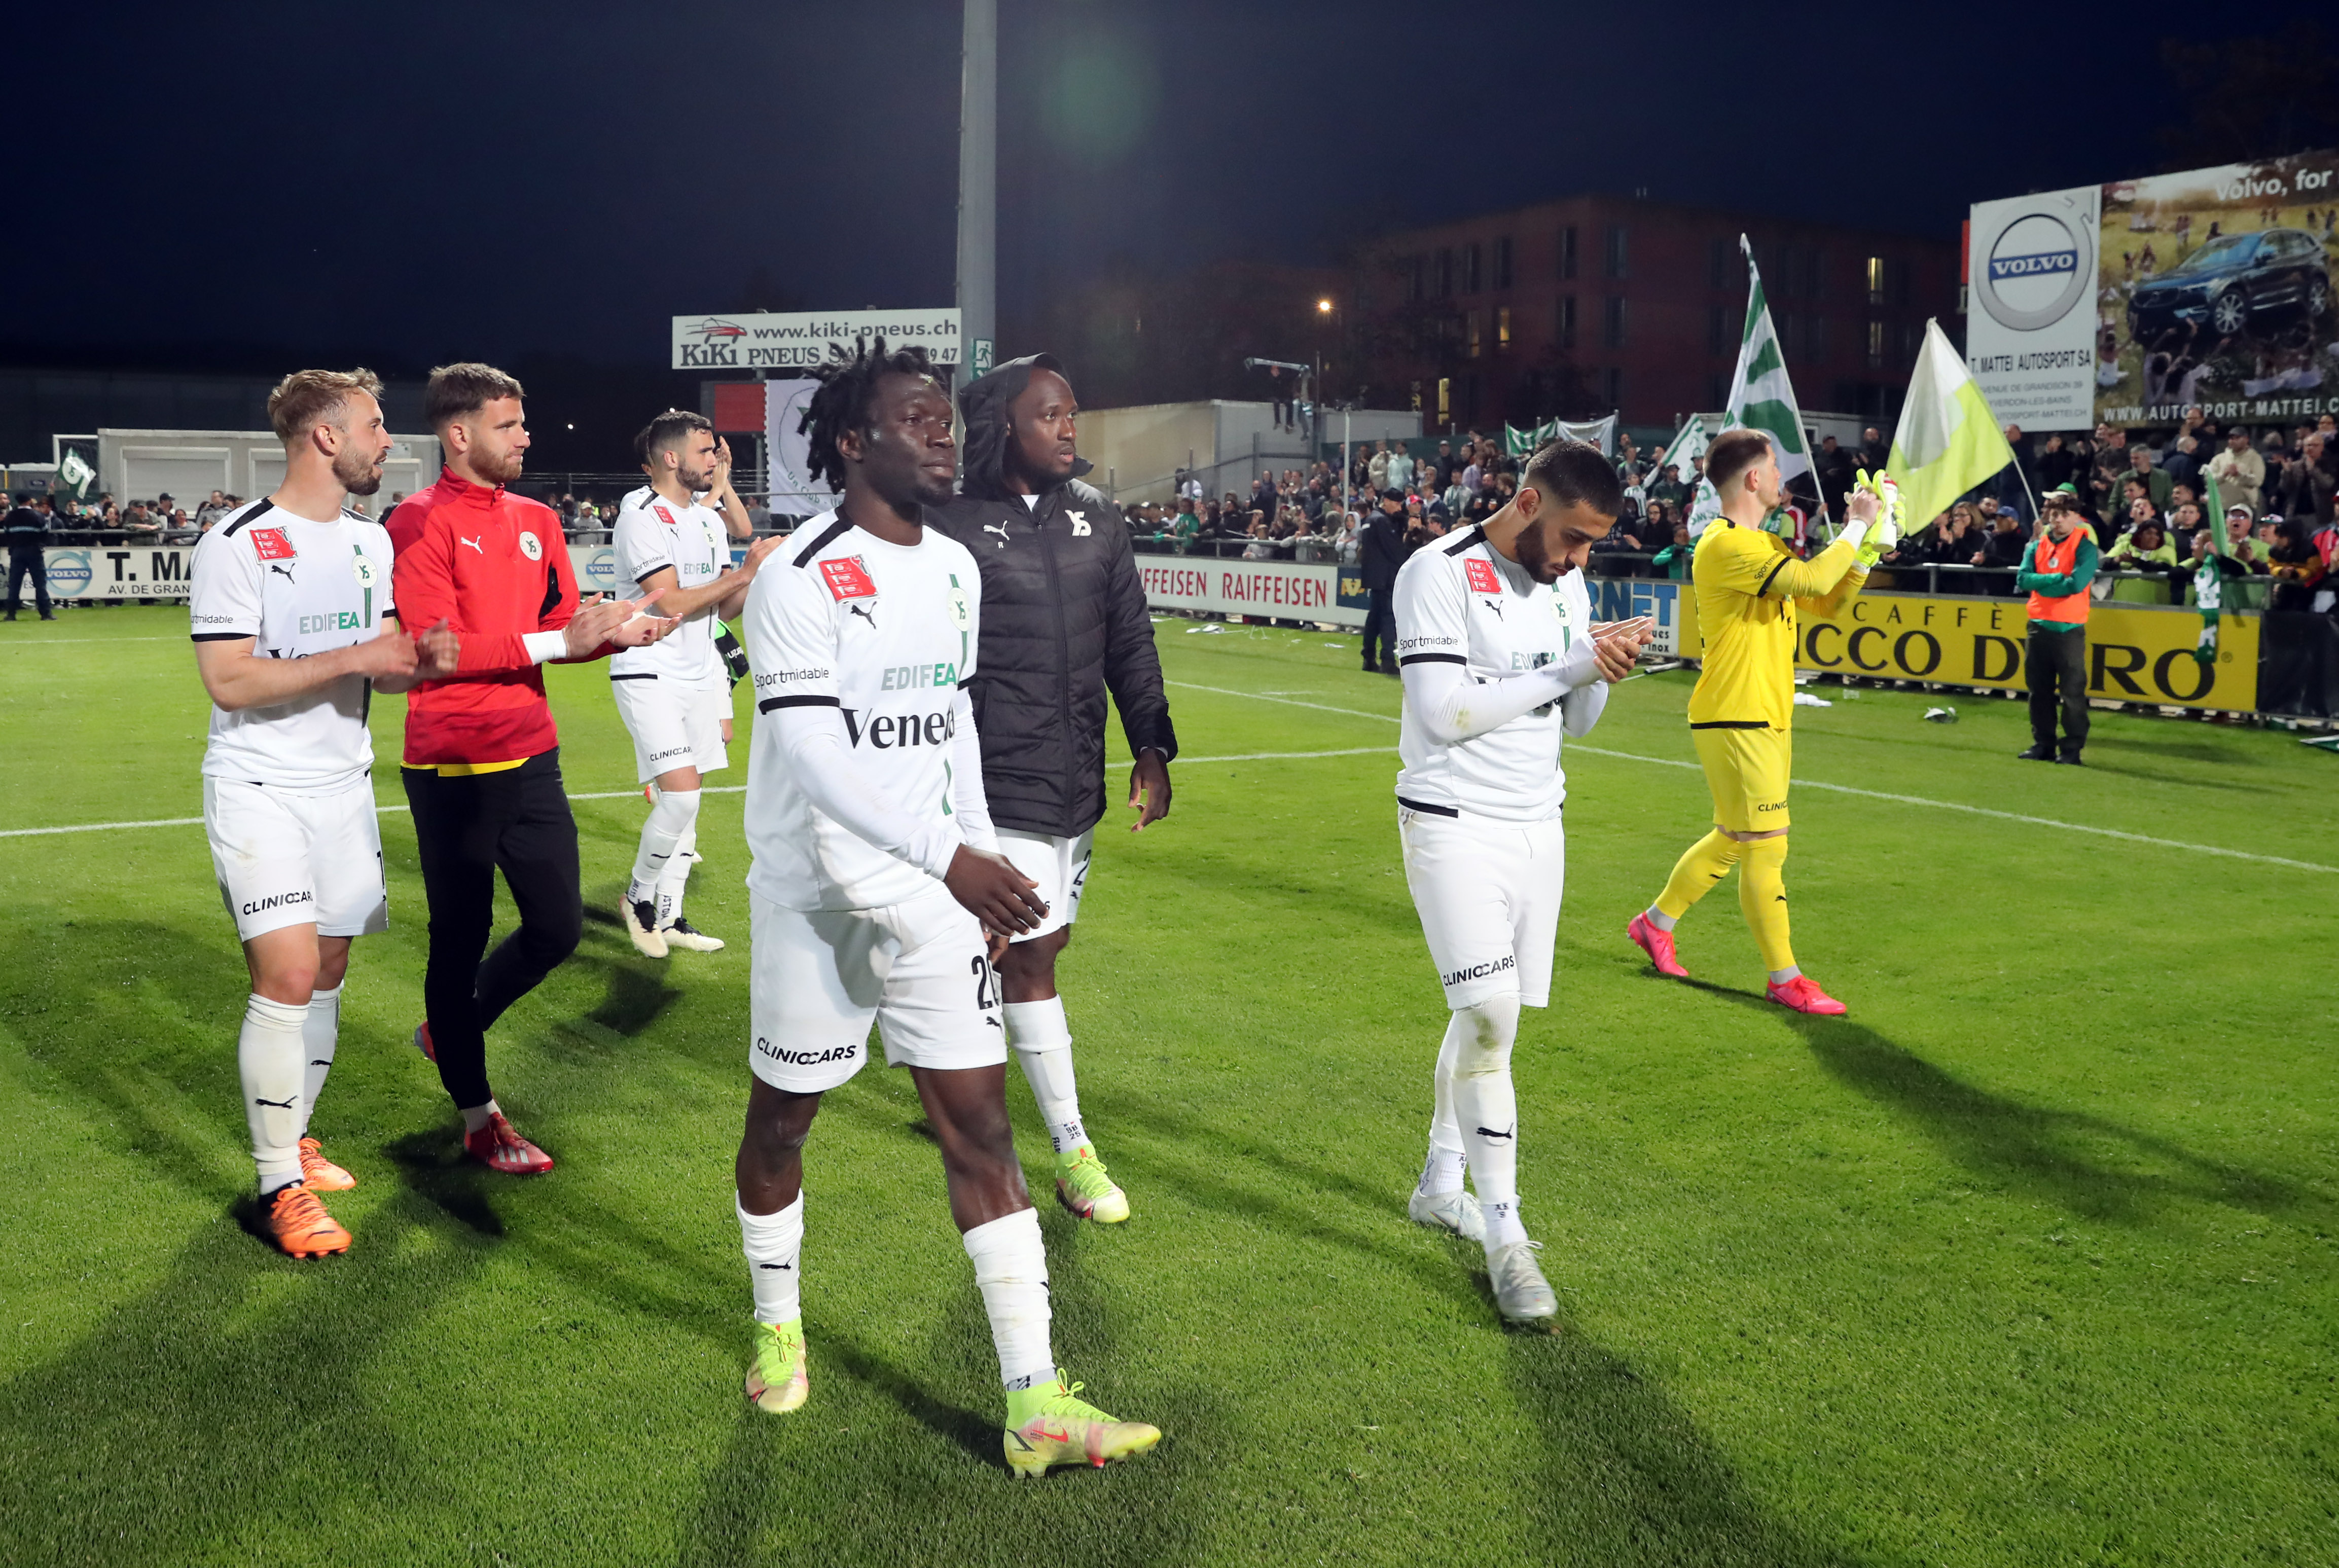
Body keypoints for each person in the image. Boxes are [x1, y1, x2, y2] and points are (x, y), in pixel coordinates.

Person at [732, 338, 1160, 1473]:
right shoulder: (797, 574)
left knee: (980, 1128)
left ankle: (1035, 1399)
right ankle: (777, 1318)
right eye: (913, 418)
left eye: (943, 417)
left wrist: (970, 856)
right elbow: (813, 752)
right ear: (850, 442)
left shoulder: (955, 568)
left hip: (928, 894)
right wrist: (949, 854)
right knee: (782, 1124)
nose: (940, 433)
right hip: (815, 899)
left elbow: (953, 721)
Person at [188, 369, 459, 1256]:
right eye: (377, 426)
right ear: (327, 437)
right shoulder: (236, 542)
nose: (390, 442)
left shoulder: (370, 542)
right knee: (290, 971)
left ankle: (296, 1131)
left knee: (331, 965)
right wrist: (357, 655)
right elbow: (229, 679)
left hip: (344, 786)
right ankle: (280, 1185)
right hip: (259, 786)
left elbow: (381, 667)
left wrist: (419, 661)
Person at [388, 363, 674, 1176]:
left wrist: (610, 631)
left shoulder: (537, 519)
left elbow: (558, 628)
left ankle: (450, 1032)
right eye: (508, 424)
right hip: (453, 762)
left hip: (532, 752)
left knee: (556, 929)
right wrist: (562, 639)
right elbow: (436, 648)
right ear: (459, 434)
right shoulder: (417, 520)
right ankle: (478, 1115)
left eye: (522, 422)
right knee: (459, 940)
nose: (525, 436)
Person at [1391, 439, 1650, 1323]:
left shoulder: (1568, 583)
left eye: (1591, 546)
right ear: (1529, 501)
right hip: (1451, 821)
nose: (1579, 559)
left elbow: (1577, 719)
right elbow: (1442, 712)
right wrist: (1568, 667)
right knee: (1490, 1016)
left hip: (1541, 826)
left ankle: (1440, 1182)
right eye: (1574, 537)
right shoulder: (1437, 571)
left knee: (1484, 1011)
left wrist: (1602, 667)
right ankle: (1506, 1238)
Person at [930, 353, 1177, 1225]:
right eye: (1050, 415)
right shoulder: (949, 522)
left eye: (1072, 413)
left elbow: (1130, 638)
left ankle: (944, 1057)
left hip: (1076, 779)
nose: (1069, 429)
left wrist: (1150, 743)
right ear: (1004, 423)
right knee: (1029, 957)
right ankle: (1074, 1152)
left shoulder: (1097, 517)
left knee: (1036, 948)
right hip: (993, 782)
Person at [1626, 434, 1891, 1014]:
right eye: (1773, 467)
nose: (1779, 478)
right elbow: (1813, 581)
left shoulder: (1762, 543)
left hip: (1765, 712)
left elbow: (1823, 602)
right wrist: (1855, 524)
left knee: (1733, 838)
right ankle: (1784, 978)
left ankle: (1654, 923)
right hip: (1736, 712)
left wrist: (1867, 551)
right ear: (1752, 478)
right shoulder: (1724, 544)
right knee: (1766, 844)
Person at [610, 410, 782, 958]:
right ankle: (638, 897)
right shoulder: (641, 516)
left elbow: (719, 608)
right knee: (680, 796)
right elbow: (672, 602)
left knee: (689, 805)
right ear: (671, 458)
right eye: (706, 452)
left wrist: (759, 579)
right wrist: (743, 572)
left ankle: (671, 917)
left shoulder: (706, 521)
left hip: (701, 672)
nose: (715, 461)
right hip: (649, 671)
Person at [2014, 492, 2099, 764]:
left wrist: (2042, 583)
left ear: (2076, 518)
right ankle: (2044, 745)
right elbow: (2022, 580)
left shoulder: (2085, 548)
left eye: (2064, 515)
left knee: (2072, 694)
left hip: (2069, 629)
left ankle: (2072, 750)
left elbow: (2076, 584)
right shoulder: (2036, 546)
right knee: (2038, 691)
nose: (2058, 519)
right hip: (2038, 626)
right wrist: (2056, 579)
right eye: (2054, 514)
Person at [1359, 490, 1409, 673]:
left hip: (1374, 576)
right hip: (1386, 577)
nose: (1399, 508)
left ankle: (1369, 657)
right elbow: (1394, 550)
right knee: (1388, 618)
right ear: (1386, 501)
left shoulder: (1370, 519)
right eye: (1396, 504)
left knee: (1374, 618)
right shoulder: (1381, 521)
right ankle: (1387, 659)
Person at [5, 491, 54, 621]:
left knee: (14, 584)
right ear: (29, 501)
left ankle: (11, 614)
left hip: (17, 551)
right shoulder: (37, 515)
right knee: (40, 583)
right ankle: (46, 613)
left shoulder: (11, 516)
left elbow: (7, 533)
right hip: (34, 551)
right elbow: (45, 533)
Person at [2207, 427, 2266, 517]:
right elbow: (2209, 481)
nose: (2233, 441)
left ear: (2246, 439)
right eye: (2231, 439)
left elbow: (2258, 481)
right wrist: (2224, 474)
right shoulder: (2219, 459)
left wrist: (2238, 475)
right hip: (2221, 507)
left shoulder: (2255, 458)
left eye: (2237, 438)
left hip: (2245, 507)